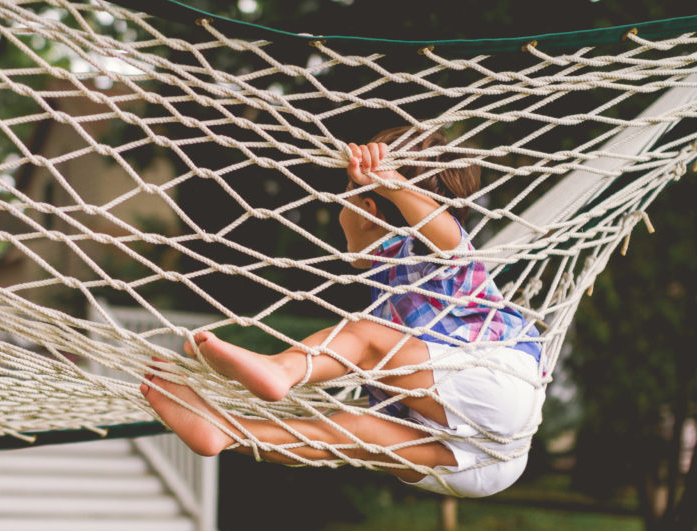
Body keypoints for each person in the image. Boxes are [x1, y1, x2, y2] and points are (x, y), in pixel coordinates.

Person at [141, 126, 544, 498]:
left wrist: (392, 183)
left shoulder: (422, 256)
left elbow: (446, 234)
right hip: (489, 467)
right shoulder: (386, 284)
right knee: (351, 431)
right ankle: (227, 431)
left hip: (498, 386)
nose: (338, 212)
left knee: (365, 338)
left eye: (343, 200)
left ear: (367, 206)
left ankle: (283, 371)